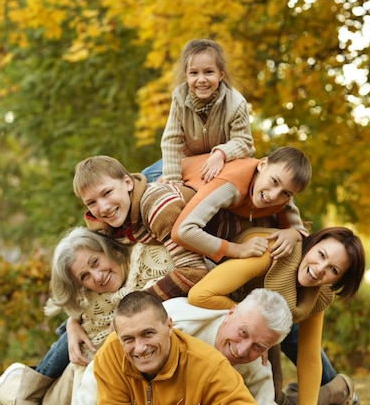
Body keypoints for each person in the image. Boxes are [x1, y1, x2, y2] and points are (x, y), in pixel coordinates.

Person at [0, 228, 175, 405]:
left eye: (95, 262)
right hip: (77, 380)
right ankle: (16, 385)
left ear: (110, 250)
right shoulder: (91, 306)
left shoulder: (150, 264)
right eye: (84, 276)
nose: (97, 277)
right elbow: (84, 362)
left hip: (113, 384)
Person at [188, 226, 366, 405]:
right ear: (312, 244)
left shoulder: (319, 295)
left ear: (338, 280)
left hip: (274, 332)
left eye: (333, 270)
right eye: (321, 254)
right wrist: (255, 326)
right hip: (245, 326)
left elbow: (308, 358)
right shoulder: (272, 251)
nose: (319, 269)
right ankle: (331, 389)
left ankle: (338, 389)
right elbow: (200, 295)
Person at [93, 291, 270, 405]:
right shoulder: (111, 354)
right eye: (128, 339)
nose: (140, 348)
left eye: (148, 333)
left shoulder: (208, 364)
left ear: (169, 326)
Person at [74, 155, 208, 303]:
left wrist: (135, 303)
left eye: (107, 193)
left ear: (127, 183)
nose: (103, 208)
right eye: (91, 203)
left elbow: (194, 272)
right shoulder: (127, 216)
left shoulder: (157, 208)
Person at [141, 38, 255, 184]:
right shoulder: (180, 99)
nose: (201, 79)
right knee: (147, 176)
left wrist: (221, 154)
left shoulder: (236, 103)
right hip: (191, 159)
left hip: (226, 160)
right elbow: (171, 141)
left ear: (221, 74)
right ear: (186, 76)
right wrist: (173, 181)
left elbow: (243, 141)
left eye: (208, 72)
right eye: (194, 73)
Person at [171, 146, 312, 262]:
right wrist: (238, 250)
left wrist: (293, 234)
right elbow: (182, 231)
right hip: (175, 168)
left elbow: (300, 231)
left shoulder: (283, 198)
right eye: (274, 181)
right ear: (262, 165)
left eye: (286, 193)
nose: (273, 196)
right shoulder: (231, 184)